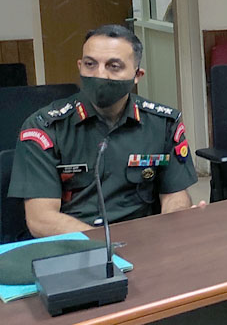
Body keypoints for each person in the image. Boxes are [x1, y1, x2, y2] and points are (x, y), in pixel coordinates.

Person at [9, 25, 199, 237]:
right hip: (74, 242)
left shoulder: (163, 123)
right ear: (80, 66)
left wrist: (177, 220)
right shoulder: (44, 128)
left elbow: (175, 195)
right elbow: (41, 219)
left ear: (137, 75)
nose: (100, 74)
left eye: (113, 66)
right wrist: (107, 246)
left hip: (144, 240)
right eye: (90, 64)